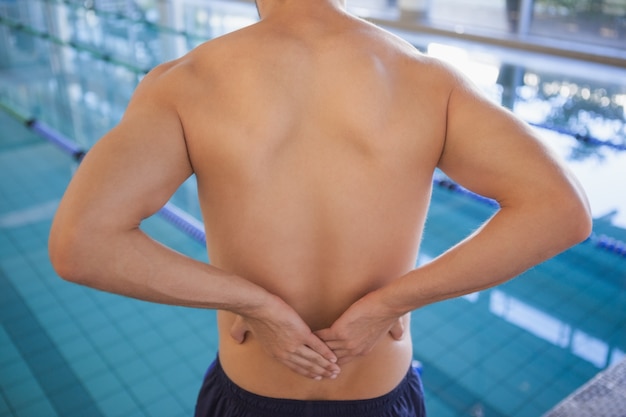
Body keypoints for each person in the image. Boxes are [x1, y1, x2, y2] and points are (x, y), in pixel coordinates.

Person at [48, 0, 592, 416]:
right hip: (381, 393)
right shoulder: (427, 80)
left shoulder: (186, 84)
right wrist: (392, 302)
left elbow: (82, 243)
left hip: (250, 395)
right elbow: (560, 208)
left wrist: (255, 305)